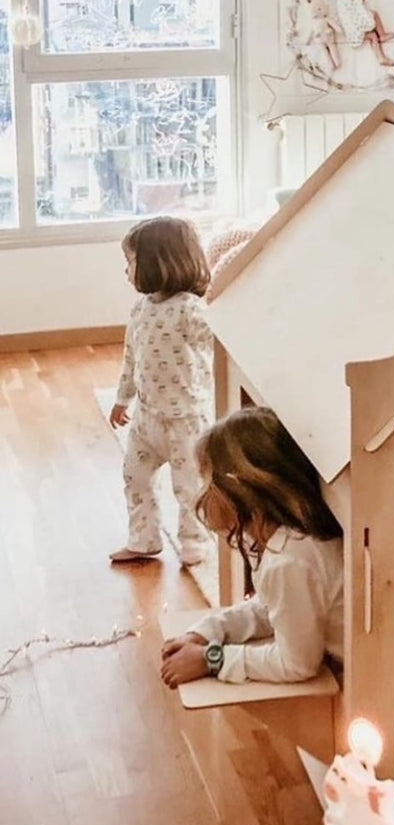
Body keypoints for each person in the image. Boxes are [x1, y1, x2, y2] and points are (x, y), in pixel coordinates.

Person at [160, 406, 345, 687]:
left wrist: (212, 659)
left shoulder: (290, 561)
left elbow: (296, 664)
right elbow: (271, 609)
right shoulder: (288, 542)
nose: (203, 496)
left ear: (240, 488)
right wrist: (209, 631)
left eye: (209, 483)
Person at [109, 216, 214, 566]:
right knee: (135, 477)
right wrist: (122, 398)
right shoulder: (140, 309)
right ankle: (144, 537)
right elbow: (131, 358)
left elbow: (216, 343)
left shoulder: (190, 309)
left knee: (189, 487)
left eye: (131, 262)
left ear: (159, 262)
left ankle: (194, 542)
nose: (127, 272)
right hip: (147, 417)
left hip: (186, 420)